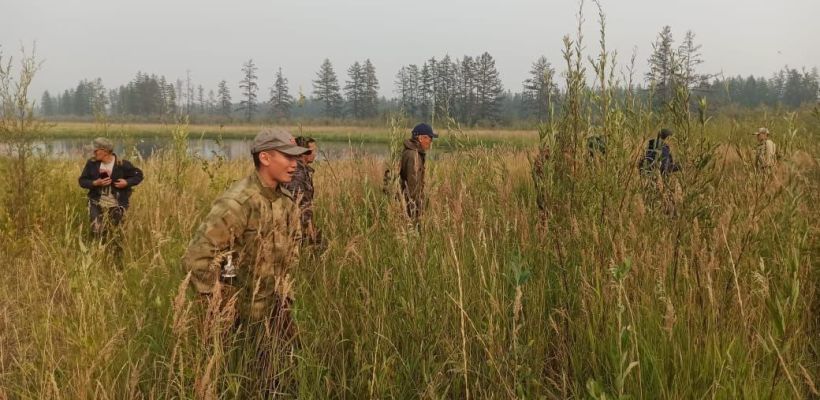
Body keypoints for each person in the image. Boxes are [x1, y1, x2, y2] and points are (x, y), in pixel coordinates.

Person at [182, 128, 309, 394]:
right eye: (287, 157)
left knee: (289, 378)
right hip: (240, 318)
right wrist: (223, 302)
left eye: (296, 157)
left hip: (276, 310)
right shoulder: (238, 202)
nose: (294, 164)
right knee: (240, 382)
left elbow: (293, 249)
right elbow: (197, 258)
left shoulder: (286, 201)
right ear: (265, 157)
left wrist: (285, 293)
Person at [78, 137, 144, 238]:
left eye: (95, 151)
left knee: (115, 233)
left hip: (117, 205)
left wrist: (127, 182)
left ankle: (114, 248)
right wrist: (95, 183)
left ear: (104, 151)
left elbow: (138, 175)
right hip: (96, 203)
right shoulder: (92, 163)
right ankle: (98, 247)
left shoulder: (122, 164)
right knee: (97, 230)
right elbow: (82, 181)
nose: (93, 153)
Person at [283, 136, 322, 246]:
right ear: (304, 153)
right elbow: (298, 202)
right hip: (296, 225)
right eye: (313, 151)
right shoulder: (297, 173)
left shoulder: (303, 170)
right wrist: (308, 226)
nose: (315, 154)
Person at [400, 123, 437, 222]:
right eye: (430, 138)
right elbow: (413, 187)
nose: (431, 142)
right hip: (409, 206)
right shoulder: (413, 156)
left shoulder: (411, 152)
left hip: (405, 202)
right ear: (421, 138)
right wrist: (417, 211)